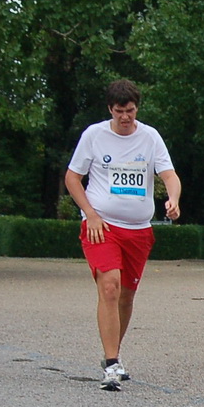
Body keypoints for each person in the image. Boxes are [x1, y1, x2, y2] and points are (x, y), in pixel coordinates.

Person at [64, 79, 180, 391]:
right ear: (110, 110)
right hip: (102, 226)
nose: (125, 117)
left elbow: (168, 174)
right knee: (110, 287)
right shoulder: (94, 135)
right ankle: (112, 363)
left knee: (126, 296)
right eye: (119, 112)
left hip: (139, 231)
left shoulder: (150, 137)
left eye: (129, 111)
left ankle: (113, 355)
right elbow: (73, 177)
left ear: (136, 108)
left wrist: (173, 199)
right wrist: (90, 213)